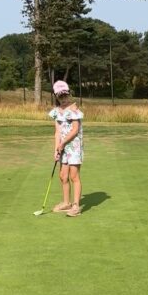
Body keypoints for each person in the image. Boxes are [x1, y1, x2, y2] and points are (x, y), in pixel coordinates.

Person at [49, 81, 84, 217]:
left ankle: (76, 206)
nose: (63, 99)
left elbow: (75, 130)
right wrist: (56, 149)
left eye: (65, 96)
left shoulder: (74, 111)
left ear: (69, 94)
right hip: (62, 147)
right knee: (63, 176)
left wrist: (63, 143)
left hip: (74, 147)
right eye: (60, 97)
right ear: (56, 97)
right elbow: (57, 132)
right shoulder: (56, 112)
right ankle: (66, 202)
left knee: (73, 176)